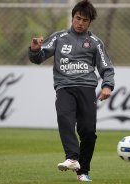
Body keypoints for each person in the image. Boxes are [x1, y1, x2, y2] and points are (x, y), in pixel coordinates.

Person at [28, 0, 115, 181]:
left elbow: (107, 68)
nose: (80, 23)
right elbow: (39, 57)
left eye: (84, 20)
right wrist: (35, 50)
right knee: (64, 117)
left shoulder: (95, 43)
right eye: (77, 18)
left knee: (88, 132)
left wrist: (107, 85)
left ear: (90, 22)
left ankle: (83, 172)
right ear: (72, 17)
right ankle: (72, 158)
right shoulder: (59, 38)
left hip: (87, 88)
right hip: (64, 86)